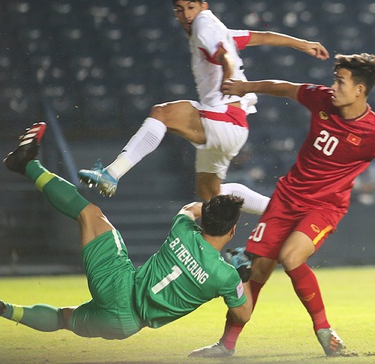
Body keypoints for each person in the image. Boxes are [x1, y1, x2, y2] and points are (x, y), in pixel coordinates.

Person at [189, 53, 375, 358]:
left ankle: (325, 332)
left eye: (340, 81)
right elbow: (285, 87)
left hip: (324, 208)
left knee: (291, 258)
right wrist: (244, 86)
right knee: (257, 273)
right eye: (335, 79)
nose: (333, 86)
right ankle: (226, 344)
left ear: (359, 89)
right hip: (286, 199)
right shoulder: (322, 99)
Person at [78, 0, 329, 215]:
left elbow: (224, 57)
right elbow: (261, 37)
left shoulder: (203, 25)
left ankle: (111, 173)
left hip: (223, 118)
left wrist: (231, 79)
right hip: (233, 126)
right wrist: (303, 44)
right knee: (212, 196)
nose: (187, 15)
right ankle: (285, 211)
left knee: (161, 113)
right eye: (179, 9)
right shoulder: (219, 30)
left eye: (191, 7)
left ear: (203, 7)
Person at [1, 122, 253, 346]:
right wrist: (243, 277)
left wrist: (209, 206)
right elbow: (243, 315)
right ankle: (6, 310)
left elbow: (189, 209)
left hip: (120, 287)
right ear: (232, 231)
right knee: (62, 318)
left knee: (89, 214)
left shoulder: (182, 230)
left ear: (207, 217)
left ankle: (26, 164)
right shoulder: (226, 276)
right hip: (125, 325)